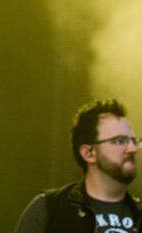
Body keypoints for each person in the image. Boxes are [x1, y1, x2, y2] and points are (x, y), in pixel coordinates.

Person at [13, 99, 141, 233]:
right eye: (120, 141)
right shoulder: (49, 208)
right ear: (89, 153)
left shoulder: (139, 214)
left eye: (134, 141)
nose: (133, 149)